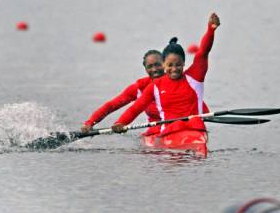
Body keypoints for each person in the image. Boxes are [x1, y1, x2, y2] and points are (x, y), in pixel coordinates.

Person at [111, 12, 220, 155]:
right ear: (163, 64)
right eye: (170, 65)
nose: (174, 69)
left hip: (196, 130)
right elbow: (136, 108)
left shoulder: (195, 77)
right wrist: (121, 123)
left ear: (184, 64)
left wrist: (210, 31)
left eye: (178, 65)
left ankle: (195, 150)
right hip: (169, 133)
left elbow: (203, 53)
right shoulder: (156, 86)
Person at [81, 50, 210, 136]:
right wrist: (90, 123)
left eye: (158, 65)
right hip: (156, 131)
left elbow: (200, 106)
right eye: (150, 66)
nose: (155, 70)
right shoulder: (139, 88)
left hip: (185, 128)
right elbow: (111, 106)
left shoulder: (180, 84)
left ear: (165, 64)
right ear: (145, 69)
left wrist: (204, 117)